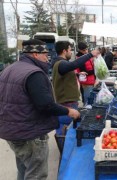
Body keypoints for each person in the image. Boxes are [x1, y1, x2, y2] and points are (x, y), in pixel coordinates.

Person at [0, 39, 80, 180]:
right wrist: (69, 111)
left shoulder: (9, 69)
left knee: (24, 170)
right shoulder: (34, 73)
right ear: (35, 54)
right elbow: (45, 105)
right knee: (36, 174)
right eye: (45, 54)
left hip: (12, 131)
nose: (47, 57)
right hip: (29, 133)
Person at [51, 41, 99, 136]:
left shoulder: (60, 63)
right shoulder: (61, 63)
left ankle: (63, 140)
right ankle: (64, 144)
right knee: (67, 127)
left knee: (67, 126)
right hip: (67, 102)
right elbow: (74, 65)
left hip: (68, 101)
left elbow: (64, 74)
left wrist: (77, 74)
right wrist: (90, 55)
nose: (71, 52)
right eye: (70, 49)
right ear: (64, 51)